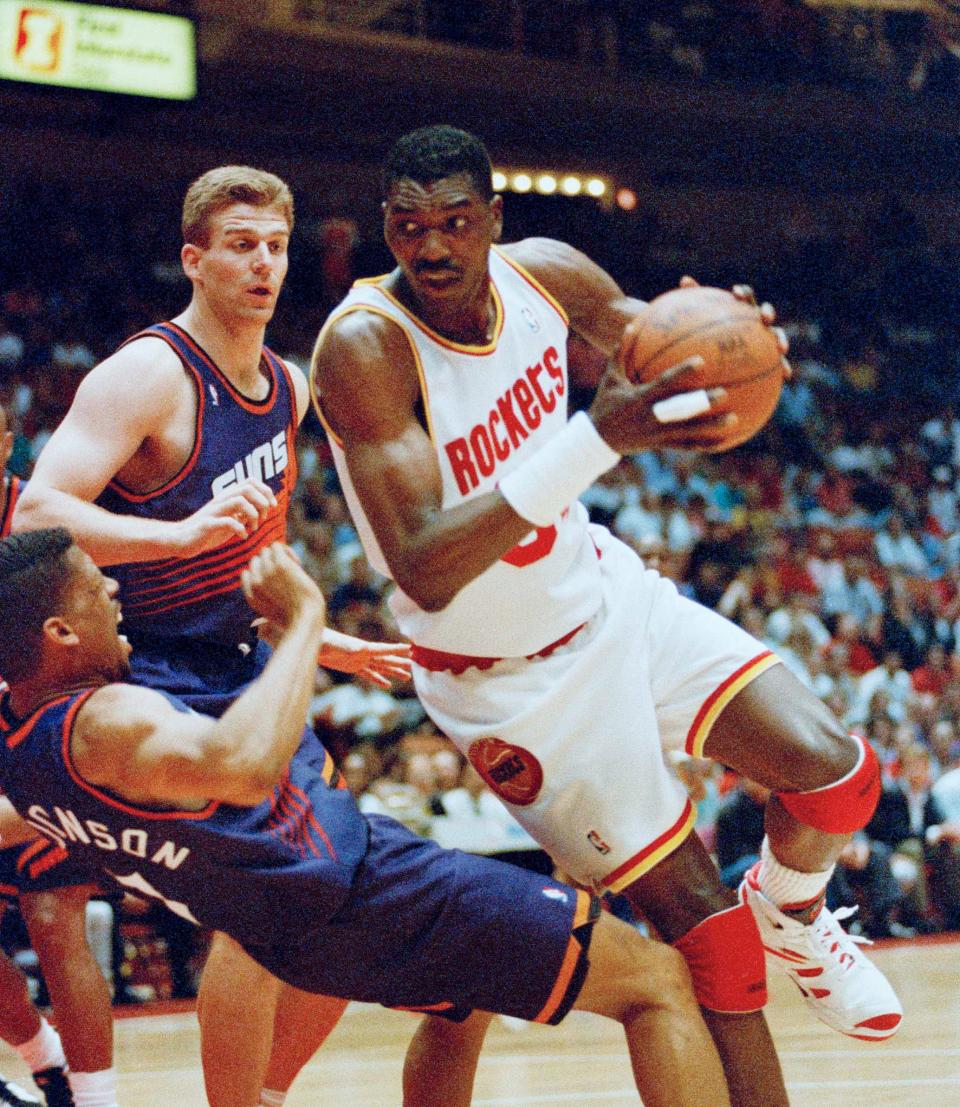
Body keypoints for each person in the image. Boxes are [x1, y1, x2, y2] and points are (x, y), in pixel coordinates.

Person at [309, 124, 902, 1105]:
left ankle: (795, 909)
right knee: (710, 945)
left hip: (612, 599)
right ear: (387, 229)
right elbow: (425, 563)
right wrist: (595, 439)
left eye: (457, 222)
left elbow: (671, 380)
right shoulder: (366, 347)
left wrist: (734, 348)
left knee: (841, 778)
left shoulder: (546, 274)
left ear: (496, 221)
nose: (434, 247)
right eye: (410, 227)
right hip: (519, 693)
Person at [0, 529, 731, 1107]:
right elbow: (244, 765)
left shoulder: (23, 752)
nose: (117, 593)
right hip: (370, 892)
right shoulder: (107, 719)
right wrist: (306, 621)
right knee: (655, 981)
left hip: (294, 935)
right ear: (62, 632)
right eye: (100, 590)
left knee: (463, 1005)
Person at [12, 167, 410, 1107]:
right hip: (141, 670)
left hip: (242, 663)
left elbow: (254, 537)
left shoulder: (290, 385)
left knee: (345, 896)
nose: (262, 263)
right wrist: (172, 536)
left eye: (275, 245)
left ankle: (261, 1095)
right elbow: (37, 509)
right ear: (195, 259)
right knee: (263, 903)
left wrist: (322, 639)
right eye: (240, 245)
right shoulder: (150, 371)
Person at [1, 406, 114, 1107]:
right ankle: (43, 1061)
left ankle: (95, 1100)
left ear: (8, 442)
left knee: (54, 918)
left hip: (43, 734)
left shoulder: (45, 518)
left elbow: (102, 621)